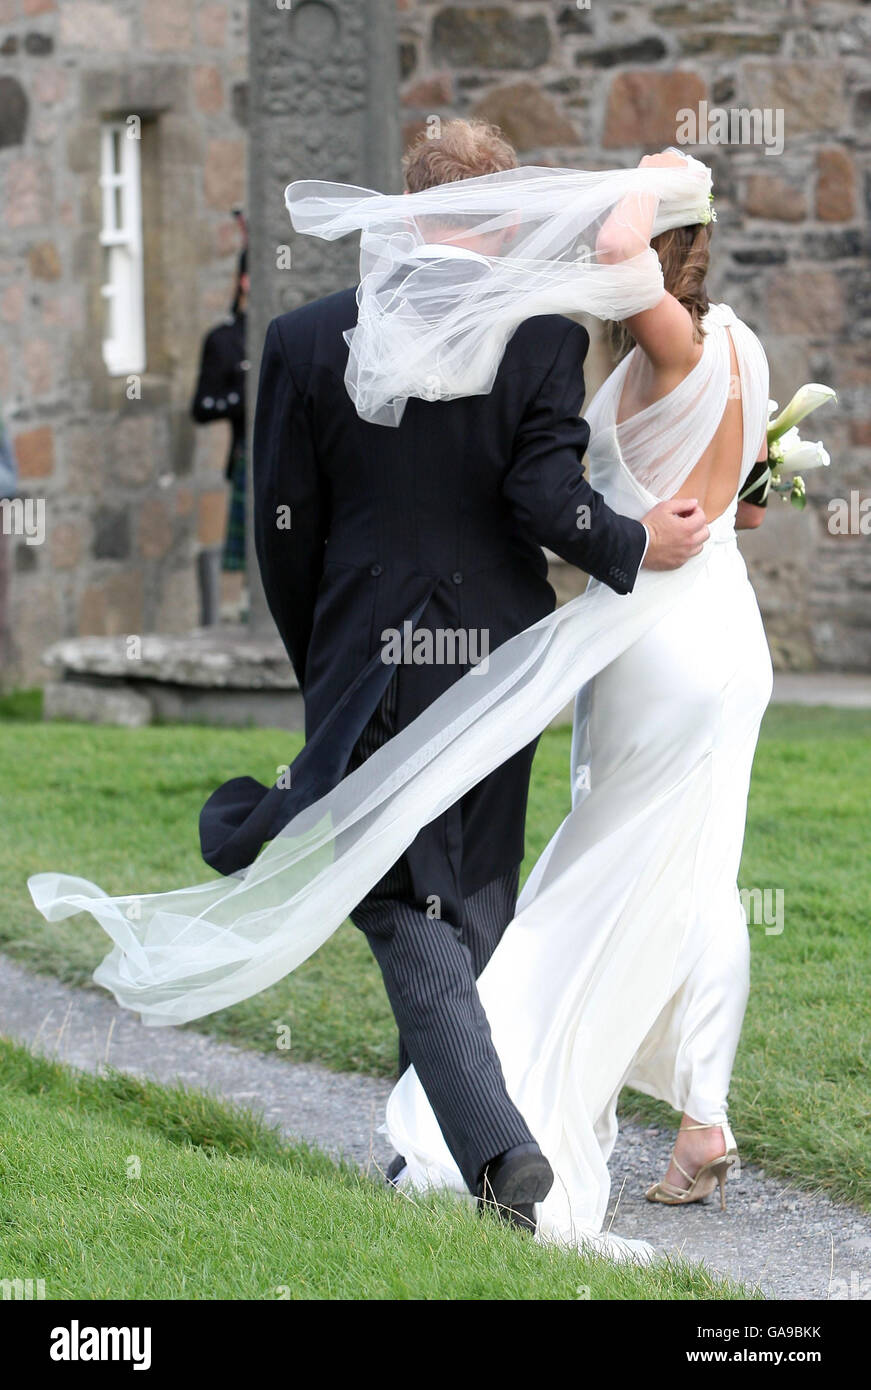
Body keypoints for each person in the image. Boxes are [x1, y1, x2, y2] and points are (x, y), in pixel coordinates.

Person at [29, 131, 765, 1263]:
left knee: (404, 903)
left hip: (371, 653)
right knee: (469, 891)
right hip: (504, 655)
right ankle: (439, 1140)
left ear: (409, 206)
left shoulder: (307, 337)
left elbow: (284, 528)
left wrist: (323, 653)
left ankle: (489, 1148)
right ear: (498, 202)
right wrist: (621, 543)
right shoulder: (539, 337)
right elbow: (540, 496)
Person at [191, 246, 249, 614]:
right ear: (244, 280)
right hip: (247, 457)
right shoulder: (224, 340)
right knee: (251, 564)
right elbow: (200, 407)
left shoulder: (291, 328)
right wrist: (240, 399)